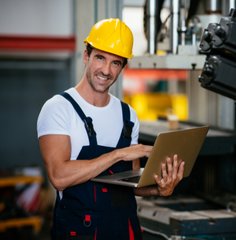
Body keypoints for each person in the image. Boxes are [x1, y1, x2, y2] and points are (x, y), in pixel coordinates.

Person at [37, 18, 185, 240]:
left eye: (116, 63)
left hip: (123, 230)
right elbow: (59, 176)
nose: (106, 70)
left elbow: (130, 183)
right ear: (86, 56)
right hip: (78, 231)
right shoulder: (59, 108)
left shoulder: (128, 115)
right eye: (100, 58)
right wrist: (118, 154)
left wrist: (158, 189)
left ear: (123, 67)